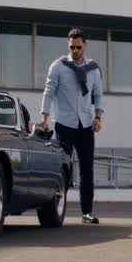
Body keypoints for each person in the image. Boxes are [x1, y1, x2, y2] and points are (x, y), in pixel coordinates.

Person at [39, 28, 105, 224]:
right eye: (71, 47)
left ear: (85, 45)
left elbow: (98, 94)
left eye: (78, 46)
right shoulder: (58, 66)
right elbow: (49, 92)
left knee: (87, 170)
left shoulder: (93, 68)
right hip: (64, 124)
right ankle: (56, 210)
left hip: (85, 125)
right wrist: (44, 117)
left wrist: (98, 117)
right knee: (62, 169)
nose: (75, 50)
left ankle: (86, 213)